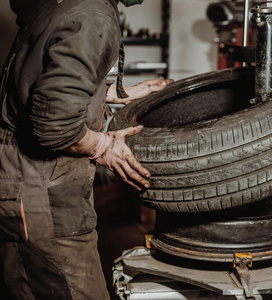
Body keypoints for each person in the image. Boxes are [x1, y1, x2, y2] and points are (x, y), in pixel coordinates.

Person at [0, 0, 172, 298]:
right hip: (40, 189)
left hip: (21, 179)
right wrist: (105, 147)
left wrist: (111, 93)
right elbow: (54, 123)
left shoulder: (64, 3)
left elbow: (37, 78)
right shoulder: (93, 14)